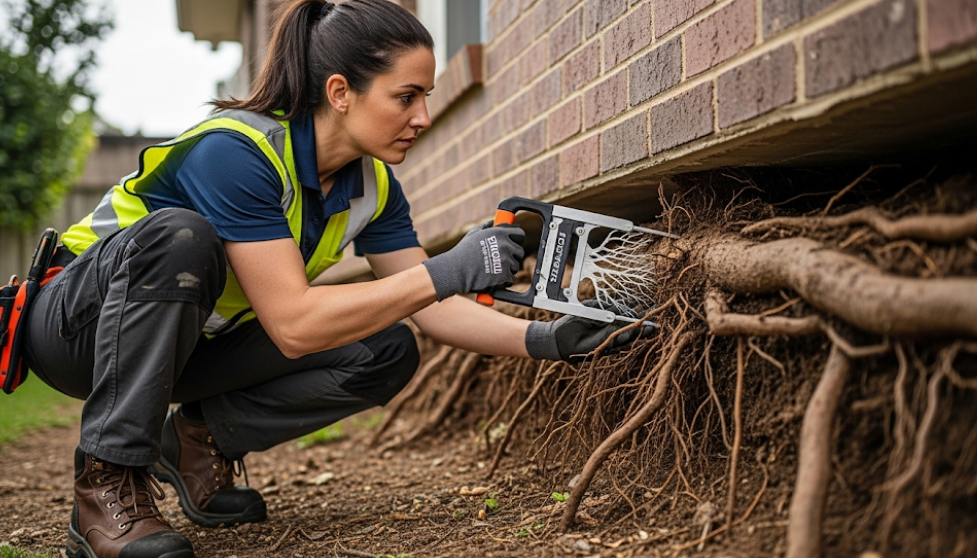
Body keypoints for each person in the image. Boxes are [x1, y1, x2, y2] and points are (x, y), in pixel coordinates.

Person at [22, 2, 644, 557]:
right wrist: (448, 268)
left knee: (386, 347)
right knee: (182, 235)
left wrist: (545, 339)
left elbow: (430, 309)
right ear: (341, 91)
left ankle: (194, 438)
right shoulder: (236, 153)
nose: (424, 116)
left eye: (428, 96)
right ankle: (106, 482)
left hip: (183, 347)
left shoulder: (371, 187)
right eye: (407, 96)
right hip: (78, 329)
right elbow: (295, 326)